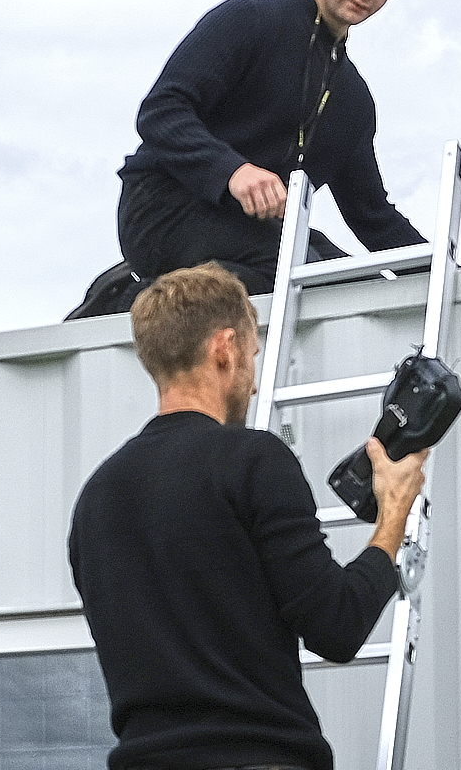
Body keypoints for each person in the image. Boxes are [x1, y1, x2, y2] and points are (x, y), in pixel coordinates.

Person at [68, 263, 427, 770]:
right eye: (253, 357)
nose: (255, 385)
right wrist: (392, 517)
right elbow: (337, 626)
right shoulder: (253, 460)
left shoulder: (96, 498)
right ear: (225, 348)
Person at [67, 0, 428, 319]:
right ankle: (128, 299)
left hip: (260, 239)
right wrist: (232, 172)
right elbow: (161, 112)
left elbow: (372, 216)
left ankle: (175, 296)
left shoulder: (352, 102)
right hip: (164, 209)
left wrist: (452, 273)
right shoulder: (251, 21)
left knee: (357, 284)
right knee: (300, 263)